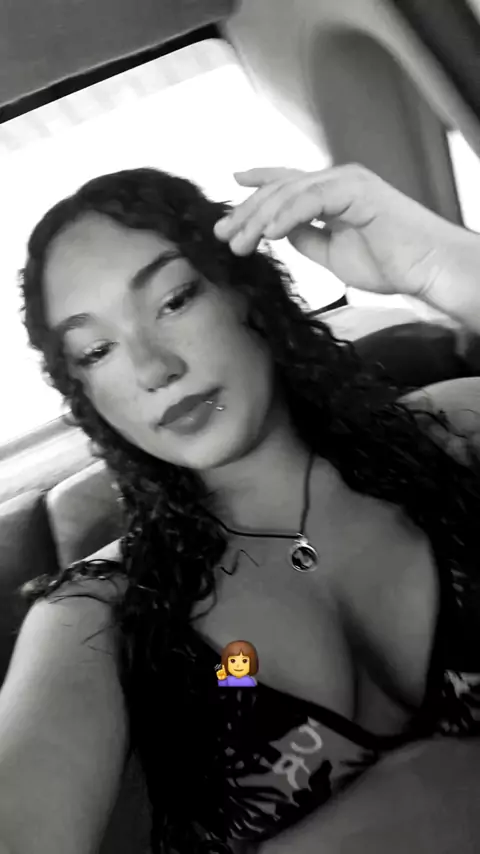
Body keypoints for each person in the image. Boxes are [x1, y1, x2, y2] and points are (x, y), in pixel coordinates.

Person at [8, 162, 480, 854]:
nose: (153, 368)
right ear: (86, 394)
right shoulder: (94, 617)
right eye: (97, 350)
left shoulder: (456, 433)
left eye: (174, 300)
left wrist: (445, 266)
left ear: (245, 287)